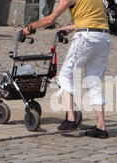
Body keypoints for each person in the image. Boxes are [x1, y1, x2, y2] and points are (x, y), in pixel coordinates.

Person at [23, 0, 111, 139]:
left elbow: (50, 19)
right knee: (94, 82)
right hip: (103, 38)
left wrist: (30, 27)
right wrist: (69, 28)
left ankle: (70, 118)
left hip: (86, 38)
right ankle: (101, 127)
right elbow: (92, 21)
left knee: (65, 75)